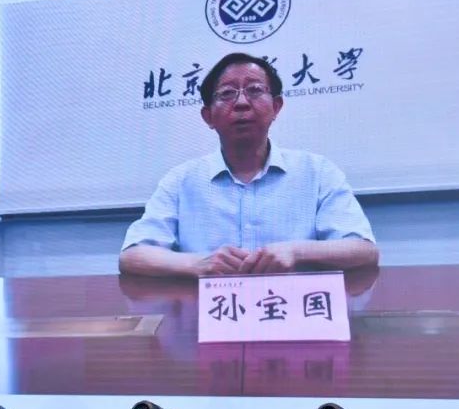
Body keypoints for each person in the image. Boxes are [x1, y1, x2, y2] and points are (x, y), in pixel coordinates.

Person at [119, 52, 378, 278]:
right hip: (210, 313)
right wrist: (198, 264)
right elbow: (132, 256)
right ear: (208, 116)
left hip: (293, 311)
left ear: (276, 106)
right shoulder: (181, 180)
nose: (242, 103)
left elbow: (363, 250)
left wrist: (296, 251)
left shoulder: (317, 172)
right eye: (227, 94)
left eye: (254, 90)